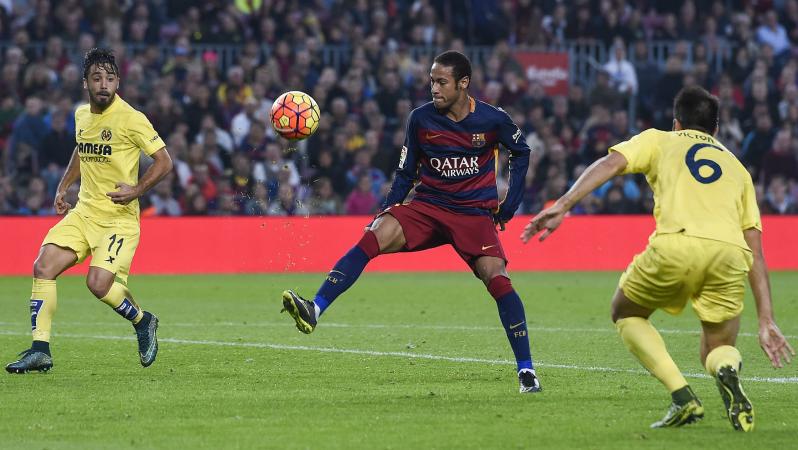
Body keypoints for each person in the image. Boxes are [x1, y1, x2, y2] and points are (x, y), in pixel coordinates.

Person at [522, 86, 794, 430]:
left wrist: (562, 205)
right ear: (717, 129)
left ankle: (682, 397)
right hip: (729, 254)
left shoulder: (661, 139)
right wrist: (766, 318)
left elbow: (611, 163)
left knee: (625, 311)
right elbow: (756, 248)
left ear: (677, 123)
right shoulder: (737, 168)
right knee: (717, 346)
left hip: (676, 244)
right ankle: (726, 369)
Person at [281, 51, 539, 393]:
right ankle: (315, 308)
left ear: (464, 84)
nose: (434, 88)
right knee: (373, 235)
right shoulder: (421, 119)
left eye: (442, 82)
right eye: (431, 81)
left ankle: (526, 371)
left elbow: (522, 151)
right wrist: (386, 210)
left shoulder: (493, 120)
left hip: (472, 213)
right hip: (428, 206)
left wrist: (510, 204)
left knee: (498, 280)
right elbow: (405, 172)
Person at [5, 48, 173, 373]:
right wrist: (63, 185)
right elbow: (82, 149)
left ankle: (143, 320)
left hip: (118, 221)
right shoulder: (82, 115)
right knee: (43, 267)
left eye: (110, 78)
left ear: (118, 81)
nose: (104, 85)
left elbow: (164, 161)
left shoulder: (131, 118)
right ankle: (40, 350)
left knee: (97, 284)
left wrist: (137, 189)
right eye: (97, 78)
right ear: (85, 82)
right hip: (84, 213)